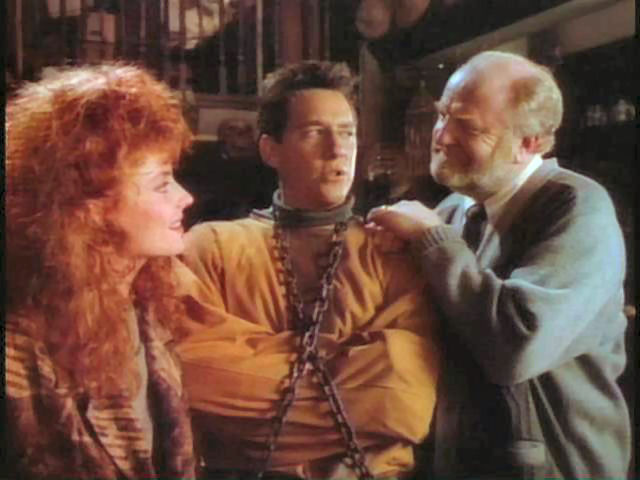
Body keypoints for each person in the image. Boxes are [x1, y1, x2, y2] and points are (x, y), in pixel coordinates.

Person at [368, 50, 631, 479]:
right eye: (442, 115)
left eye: (468, 127)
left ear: (530, 143)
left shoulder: (577, 206)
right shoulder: (452, 211)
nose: (441, 136)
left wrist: (431, 240)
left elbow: (516, 346)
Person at [173, 61, 441, 479]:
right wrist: (358, 377)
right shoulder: (212, 246)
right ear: (271, 150)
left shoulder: (392, 249)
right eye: (314, 132)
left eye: (347, 132)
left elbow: (407, 397)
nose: (337, 149)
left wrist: (252, 380)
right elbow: (193, 378)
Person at [6, 64, 197, 479]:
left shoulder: (147, 308)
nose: (186, 197)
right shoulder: (17, 348)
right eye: (162, 184)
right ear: (88, 206)